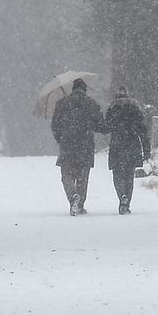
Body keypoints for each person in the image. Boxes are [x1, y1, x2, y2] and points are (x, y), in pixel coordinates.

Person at [50, 77, 106, 216]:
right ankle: (80, 205)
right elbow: (100, 126)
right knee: (83, 176)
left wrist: (60, 138)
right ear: (85, 90)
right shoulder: (91, 104)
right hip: (85, 144)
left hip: (67, 144)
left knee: (66, 175)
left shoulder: (62, 104)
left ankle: (72, 196)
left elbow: (55, 125)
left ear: (73, 89)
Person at [104, 85, 151, 214]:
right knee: (129, 176)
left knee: (117, 176)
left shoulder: (112, 110)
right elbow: (143, 131)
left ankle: (121, 196)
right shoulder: (135, 109)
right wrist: (146, 150)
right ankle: (126, 203)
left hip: (117, 146)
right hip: (132, 146)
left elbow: (106, 128)